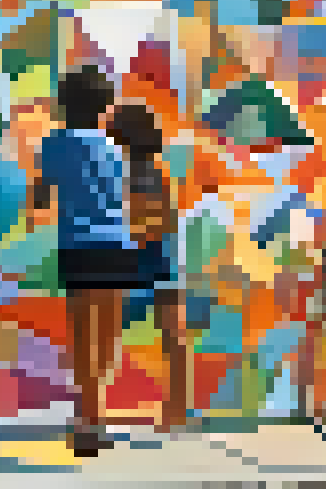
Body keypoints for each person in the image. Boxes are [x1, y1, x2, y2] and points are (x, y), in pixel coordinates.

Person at [27, 66, 143, 457]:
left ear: (63, 103)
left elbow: (41, 199)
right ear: (104, 107)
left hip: (78, 245)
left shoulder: (54, 144)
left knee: (81, 337)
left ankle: (87, 420)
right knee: (108, 337)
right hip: (118, 245)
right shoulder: (115, 149)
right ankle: (96, 417)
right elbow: (120, 200)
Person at [106, 102, 188, 433]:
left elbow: (150, 221)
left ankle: (101, 408)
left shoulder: (131, 174)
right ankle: (176, 410)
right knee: (171, 336)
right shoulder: (157, 173)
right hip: (162, 259)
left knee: (106, 331)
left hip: (141, 260)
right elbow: (166, 221)